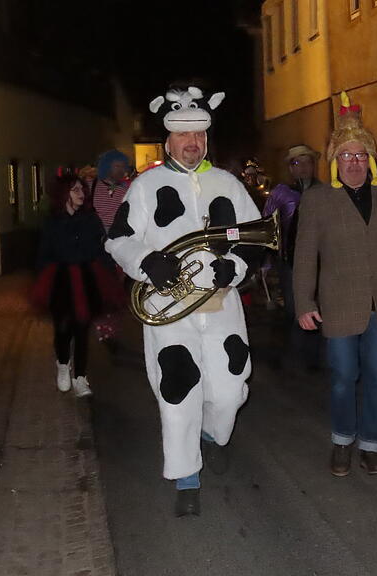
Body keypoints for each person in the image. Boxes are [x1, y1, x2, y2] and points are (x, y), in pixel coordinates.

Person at [105, 85, 262, 516]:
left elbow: (254, 239)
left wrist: (238, 267)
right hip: (167, 309)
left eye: (199, 135)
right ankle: (185, 476)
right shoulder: (146, 185)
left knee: (231, 390)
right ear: (168, 140)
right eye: (183, 135)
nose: (193, 143)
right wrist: (146, 260)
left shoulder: (227, 183)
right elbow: (117, 239)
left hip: (221, 305)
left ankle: (212, 436)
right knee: (177, 393)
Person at [294, 92, 377, 477]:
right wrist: (303, 302)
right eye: (346, 156)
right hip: (338, 304)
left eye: (360, 155)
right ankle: (343, 441)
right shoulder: (317, 200)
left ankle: (372, 445)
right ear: (334, 161)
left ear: (371, 159)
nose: (354, 163)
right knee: (344, 379)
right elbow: (304, 256)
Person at [31, 173, 123, 398]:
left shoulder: (91, 219)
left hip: (86, 275)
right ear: (64, 194)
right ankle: (63, 363)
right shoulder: (52, 222)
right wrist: (42, 278)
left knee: (82, 327)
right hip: (60, 277)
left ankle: (80, 377)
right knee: (63, 327)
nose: (81, 194)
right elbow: (43, 253)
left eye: (82, 189)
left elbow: (102, 249)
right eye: (75, 190)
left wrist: (111, 272)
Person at [262, 144, 323, 371]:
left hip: (320, 262)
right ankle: (287, 353)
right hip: (290, 262)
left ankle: (312, 358)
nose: (304, 167)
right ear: (291, 168)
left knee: (316, 307)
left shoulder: (325, 192)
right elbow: (267, 225)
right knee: (293, 308)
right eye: (298, 163)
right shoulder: (281, 193)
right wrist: (267, 262)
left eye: (308, 162)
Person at [91, 150, 132, 347]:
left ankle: (111, 329)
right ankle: (102, 327)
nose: (122, 170)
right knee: (100, 288)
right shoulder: (92, 187)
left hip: (119, 245)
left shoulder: (128, 190)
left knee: (117, 291)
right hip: (96, 246)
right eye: (117, 166)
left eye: (123, 166)